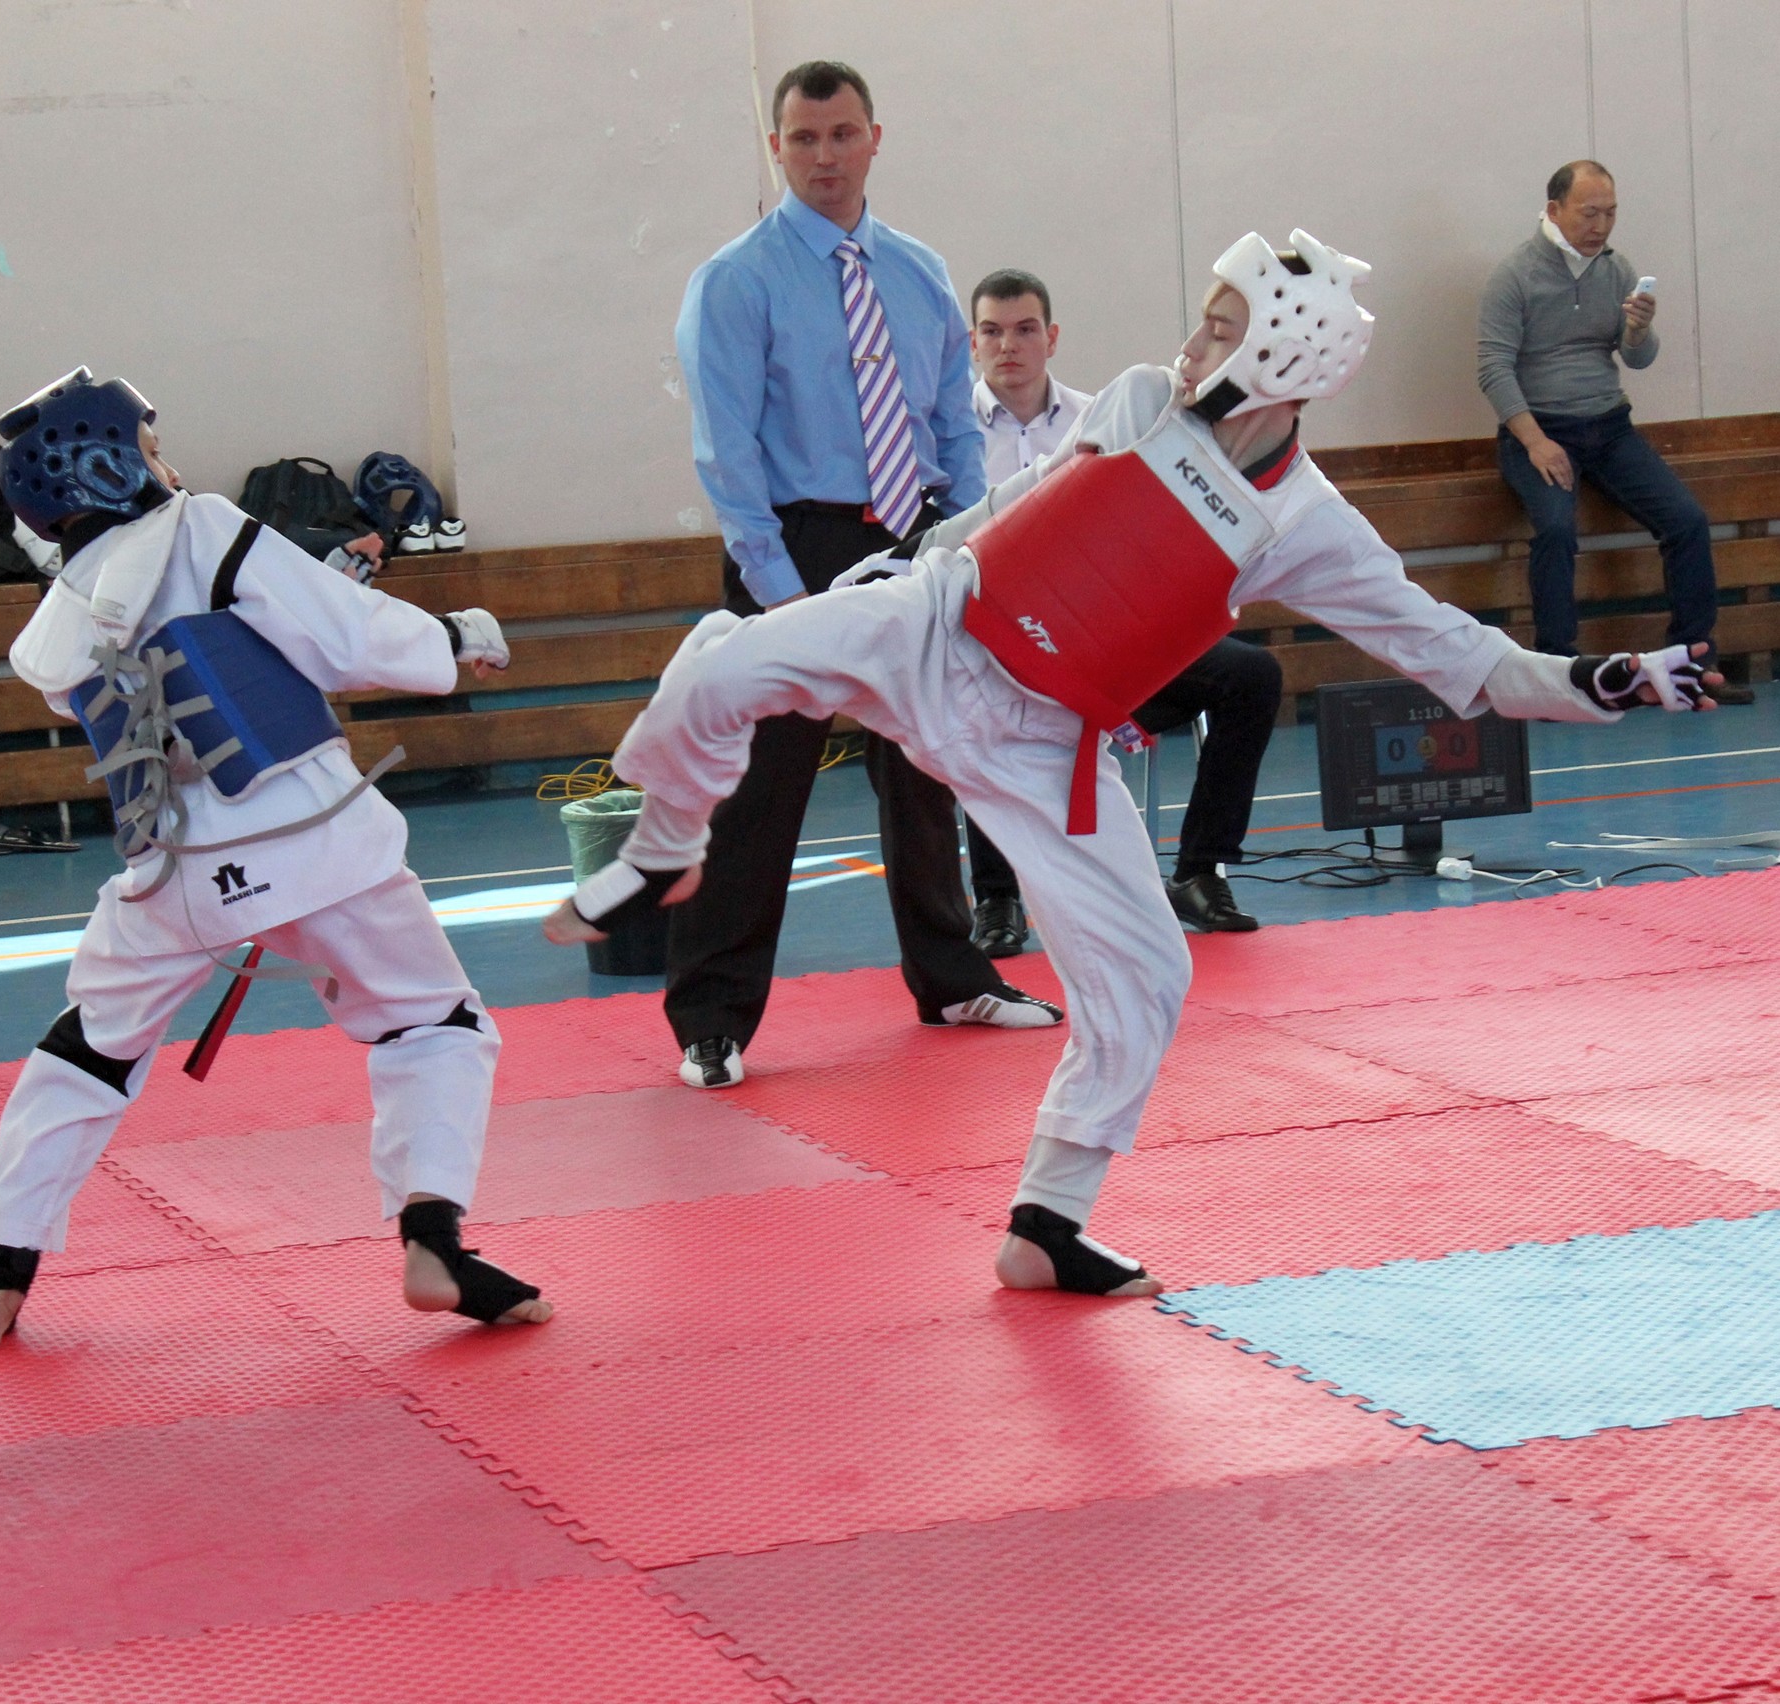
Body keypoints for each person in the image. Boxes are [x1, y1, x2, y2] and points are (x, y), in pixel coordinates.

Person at [547, 229, 1718, 1300]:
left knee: (1149, 975)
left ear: (1280, 353)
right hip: (939, 627)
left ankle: (1047, 1223)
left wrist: (1601, 681)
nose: (1191, 338)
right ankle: (663, 854)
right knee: (725, 661)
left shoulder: (1304, 525)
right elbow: (1028, 493)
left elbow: (1454, 653)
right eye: (1204, 317)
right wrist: (915, 556)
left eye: (1220, 324)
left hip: (1040, 742)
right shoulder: (1147, 397)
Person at [0, 368, 551, 1348]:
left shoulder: (50, 632)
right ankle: (434, 1239)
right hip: (315, 842)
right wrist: (453, 636)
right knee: (433, 1026)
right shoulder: (207, 526)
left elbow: (183, 651)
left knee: (87, 1052)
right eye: (145, 448)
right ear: (108, 466)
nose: (163, 463)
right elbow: (344, 639)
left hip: (169, 876)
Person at [664, 60, 1060, 1092]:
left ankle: (951, 973)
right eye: (805, 139)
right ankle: (711, 1015)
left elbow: (949, 423)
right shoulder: (737, 279)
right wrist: (779, 591)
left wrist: (966, 535)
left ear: (875, 138)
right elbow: (727, 451)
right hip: (791, 546)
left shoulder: (922, 271)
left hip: (914, 539)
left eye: (843, 135)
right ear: (777, 150)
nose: (826, 156)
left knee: (927, 769)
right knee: (758, 791)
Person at [962, 269, 1282, 951]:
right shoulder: (949, 437)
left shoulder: (1108, 414)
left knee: (1251, 677)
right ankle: (996, 899)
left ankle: (1199, 871)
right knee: (982, 686)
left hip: (1107, 631)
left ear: (1050, 339)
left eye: (1024, 330)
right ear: (972, 342)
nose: (1008, 346)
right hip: (1003, 642)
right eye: (991, 331)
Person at [1479, 160, 1750, 703]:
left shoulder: (1616, 270)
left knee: (1688, 521)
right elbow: (1493, 367)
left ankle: (1692, 663)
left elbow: (1636, 358)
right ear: (1555, 211)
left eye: (1610, 213)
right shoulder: (1515, 276)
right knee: (1555, 531)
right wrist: (1534, 441)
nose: (1600, 225)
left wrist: (1639, 330)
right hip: (1540, 428)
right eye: (1589, 213)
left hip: (1608, 425)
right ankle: (1559, 675)